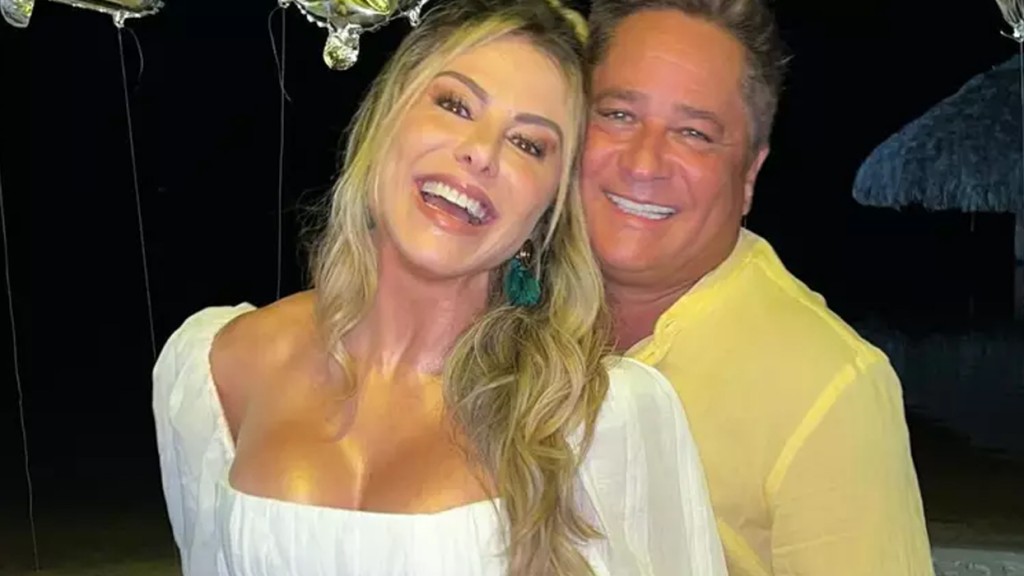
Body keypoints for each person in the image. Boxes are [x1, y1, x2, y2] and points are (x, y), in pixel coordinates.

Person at [152, 1, 727, 575]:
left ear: (548, 213)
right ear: (387, 119)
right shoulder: (216, 366)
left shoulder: (602, 418)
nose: (481, 152)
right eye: (455, 105)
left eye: (529, 144)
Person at [580, 1, 935, 575]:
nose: (644, 163)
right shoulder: (504, 310)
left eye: (694, 133)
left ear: (749, 175)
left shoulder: (829, 388)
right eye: (618, 115)